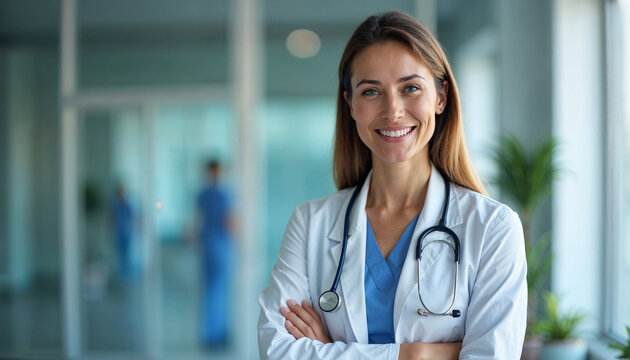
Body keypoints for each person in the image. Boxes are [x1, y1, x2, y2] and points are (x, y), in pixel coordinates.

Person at [257, 11, 527, 360]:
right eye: (371, 92)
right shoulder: (311, 223)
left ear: (441, 97)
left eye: (410, 88)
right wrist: (416, 354)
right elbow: (277, 351)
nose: (393, 110)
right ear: (350, 105)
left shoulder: (493, 228)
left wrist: (330, 351)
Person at [196, 160, 234, 347]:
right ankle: (215, 333)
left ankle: (212, 331)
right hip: (219, 246)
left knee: (211, 290)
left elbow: (197, 222)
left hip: (208, 245)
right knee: (217, 290)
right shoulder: (223, 195)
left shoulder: (203, 194)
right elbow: (230, 222)